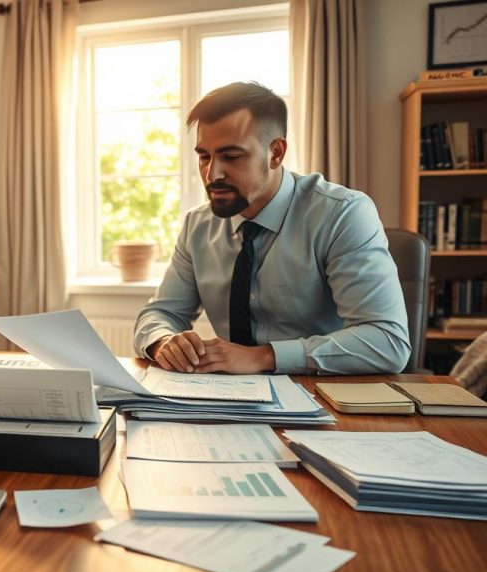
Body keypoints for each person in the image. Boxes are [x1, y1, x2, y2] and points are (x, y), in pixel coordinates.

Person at [134, 82, 409, 376]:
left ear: (276, 153)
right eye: (204, 157)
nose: (212, 174)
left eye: (232, 157)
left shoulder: (342, 214)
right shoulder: (197, 226)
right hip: (228, 400)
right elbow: (159, 314)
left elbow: (387, 341)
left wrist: (264, 357)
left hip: (323, 395)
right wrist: (163, 341)